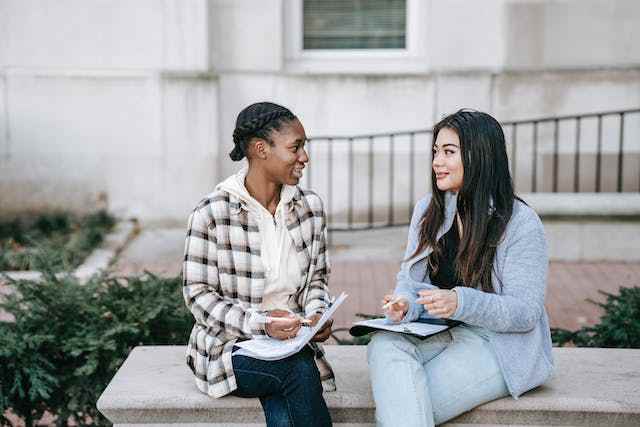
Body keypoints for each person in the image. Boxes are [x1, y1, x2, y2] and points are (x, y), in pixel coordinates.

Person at [367, 109, 554, 426]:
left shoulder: (521, 223)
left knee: (404, 406)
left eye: (448, 152)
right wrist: (404, 304)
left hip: (497, 344)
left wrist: (460, 302)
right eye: (435, 152)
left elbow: (525, 312)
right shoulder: (428, 209)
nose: (436, 162)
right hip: (439, 331)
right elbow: (409, 283)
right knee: (384, 344)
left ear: (479, 156)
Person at [182, 102, 334, 427]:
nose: (304, 157)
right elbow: (197, 295)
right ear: (260, 149)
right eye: (296, 147)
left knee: (288, 388)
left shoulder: (310, 208)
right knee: (296, 370)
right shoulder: (212, 213)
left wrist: (318, 314)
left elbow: (317, 280)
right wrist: (260, 323)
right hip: (231, 347)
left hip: (293, 344)